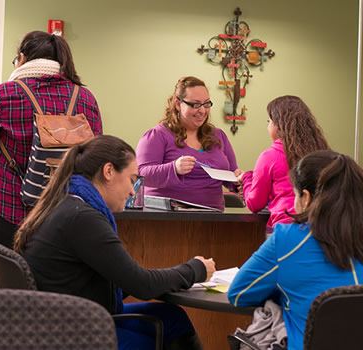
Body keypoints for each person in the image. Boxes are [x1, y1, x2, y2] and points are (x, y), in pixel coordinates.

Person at [16, 135, 214, 350]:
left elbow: (128, 279)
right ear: (108, 171)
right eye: (132, 179)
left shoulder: (67, 205)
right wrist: (195, 269)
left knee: (172, 317)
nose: (132, 191)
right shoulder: (82, 218)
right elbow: (142, 285)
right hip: (73, 333)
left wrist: (160, 276)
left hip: (62, 320)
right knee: (156, 336)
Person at [0, 31, 103, 288]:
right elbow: (95, 155)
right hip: (61, 216)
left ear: (22, 58)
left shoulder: (6, 94)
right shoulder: (85, 98)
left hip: (6, 211)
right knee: (47, 300)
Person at [228, 150, 363, 350]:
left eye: (295, 193)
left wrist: (285, 289)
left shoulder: (288, 239)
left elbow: (238, 294)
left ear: (306, 198)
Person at [136, 76, 240, 210]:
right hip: (167, 216)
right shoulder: (157, 135)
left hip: (212, 217)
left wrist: (239, 181)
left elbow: (232, 174)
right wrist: (174, 168)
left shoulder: (218, 136)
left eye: (206, 104)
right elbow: (140, 175)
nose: (202, 111)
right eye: (195, 104)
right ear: (178, 104)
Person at [236, 96, 329, 233]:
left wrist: (246, 178)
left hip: (286, 228)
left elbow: (254, 203)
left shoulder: (270, 156)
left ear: (279, 125)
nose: (268, 126)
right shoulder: (321, 152)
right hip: (320, 227)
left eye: (269, 121)